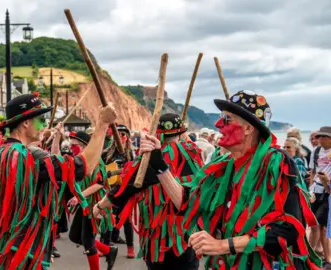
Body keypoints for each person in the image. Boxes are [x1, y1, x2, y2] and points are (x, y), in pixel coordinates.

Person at [107, 90, 319, 269]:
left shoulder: (277, 164)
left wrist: (221, 246)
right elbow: (186, 201)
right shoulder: (224, 166)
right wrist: (160, 164)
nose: (218, 124)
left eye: (226, 119)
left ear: (248, 128)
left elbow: (288, 230)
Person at [0, 93, 117, 269]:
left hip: (2, 248)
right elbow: (83, 168)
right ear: (26, 122)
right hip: (21, 253)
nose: (43, 125)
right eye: (41, 120)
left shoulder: (2, 152)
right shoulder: (31, 156)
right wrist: (102, 124)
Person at [94, 113, 203, 269]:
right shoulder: (193, 155)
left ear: (157, 133)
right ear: (181, 132)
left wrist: (98, 207)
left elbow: (124, 189)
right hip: (187, 237)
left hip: (156, 239)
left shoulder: (148, 159)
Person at [67, 131, 118, 270]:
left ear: (84, 145)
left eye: (74, 145)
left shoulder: (94, 160)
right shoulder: (79, 160)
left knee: (88, 241)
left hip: (95, 205)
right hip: (84, 204)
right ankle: (109, 251)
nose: (71, 148)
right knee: (74, 236)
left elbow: (99, 184)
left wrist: (79, 197)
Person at [102, 124, 135, 258]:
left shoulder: (131, 154)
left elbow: (134, 172)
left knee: (126, 219)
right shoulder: (106, 153)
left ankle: (130, 247)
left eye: (123, 135)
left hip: (124, 190)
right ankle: (104, 245)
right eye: (118, 134)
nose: (120, 137)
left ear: (127, 137)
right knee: (107, 216)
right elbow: (102, 169)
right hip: (110, 189)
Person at [308, 126, 331, 267]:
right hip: (315, 191)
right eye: (319, 137)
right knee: (313, 224)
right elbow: (312, 172)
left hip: (327, 192)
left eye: (323, 137)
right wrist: (309, 189)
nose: (320, 140)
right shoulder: (316, 151)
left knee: (321, 225)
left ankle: (326, 258)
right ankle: (313, 254)